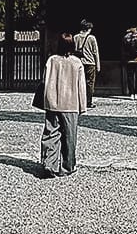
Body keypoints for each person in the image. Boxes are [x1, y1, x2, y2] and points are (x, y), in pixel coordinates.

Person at [41, 33, 87, 177]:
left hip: (53, 102)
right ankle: (68, 166)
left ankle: (49, 163)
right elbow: (81, 86)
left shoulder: (51, 61)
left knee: (50, 134)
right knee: (69, 136)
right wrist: (82, 106)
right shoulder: (77, 63)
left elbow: (44, 81)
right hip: (71, 104)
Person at [73, 19, 101, 107]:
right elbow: (95, 52)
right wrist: (98, 65)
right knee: (89, 83)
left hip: (78, 62)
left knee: (78, 82)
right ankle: (88, 101)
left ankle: (78, 101)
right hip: (90, 63)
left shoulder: (75, 37)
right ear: (89, 29)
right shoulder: (92, 38)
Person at [122, 24, 137, 99]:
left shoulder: (125, 37)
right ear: (136, 27)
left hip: (129, 60)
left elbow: (123, 49)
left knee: (130, 77)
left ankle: (131, 94)